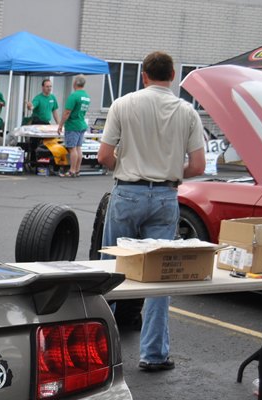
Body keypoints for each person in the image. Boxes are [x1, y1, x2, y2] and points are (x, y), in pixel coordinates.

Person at [97, 51, 204, 373]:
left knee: (110, 274)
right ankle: (154, 354)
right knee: (160, 279)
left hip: (128, 193)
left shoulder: (123, 104)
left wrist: (128, 167)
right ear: (172, 75)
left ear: (144, 75)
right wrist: (168, 172)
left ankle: (99, 354)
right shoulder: (187, 112)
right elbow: (197, 165)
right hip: (165, 198)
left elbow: (104, 156)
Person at [57, 75, 91, 177]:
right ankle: (77, 170)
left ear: (75, 83)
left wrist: (60, 125)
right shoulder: (86, 96)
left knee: (72, 149)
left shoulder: (74, 96)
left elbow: (67, 112)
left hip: (73, 125)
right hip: (81, 123)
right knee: (78, 148)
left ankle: (72, 170)